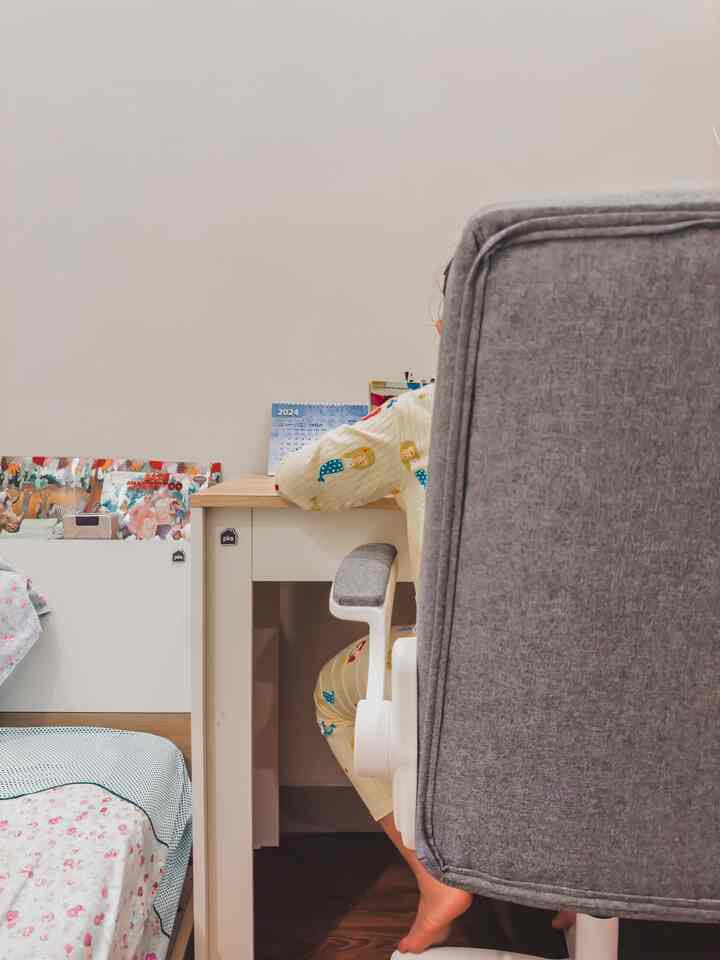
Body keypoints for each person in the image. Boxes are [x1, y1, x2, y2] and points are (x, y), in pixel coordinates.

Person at [277, 312, 575, 954]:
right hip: (588, 679)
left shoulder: (423, 414)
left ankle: (434, 877)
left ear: (449, 324)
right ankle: (580, 885)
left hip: (464, 673)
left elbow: (300, 479)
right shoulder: (607, 407)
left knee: (336, 691)